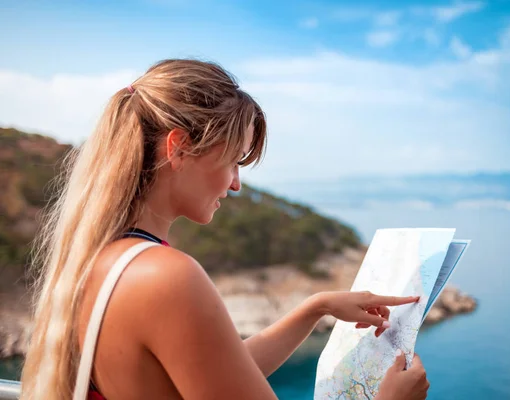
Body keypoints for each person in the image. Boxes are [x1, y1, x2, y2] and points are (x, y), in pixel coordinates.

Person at [20, 59, 430, 400]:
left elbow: (214, 373)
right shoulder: (166, 277)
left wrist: (315, 307)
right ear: (178, 148)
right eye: (234, 161)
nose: (236, 183)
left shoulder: (99, 258)